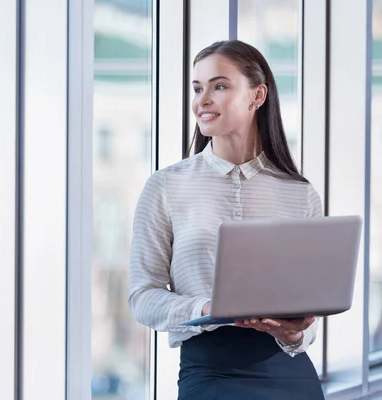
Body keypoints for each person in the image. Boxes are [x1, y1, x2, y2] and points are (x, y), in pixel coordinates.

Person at [128, 39, 325, 400]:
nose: (202, 100)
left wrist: (295, 333)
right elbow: (142, 297)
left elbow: (308, 312)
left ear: (257, 96)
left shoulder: (301, 193)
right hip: (210, 373)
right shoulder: (165, 186)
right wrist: (206, 308)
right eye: (198, 87)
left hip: (290, 375)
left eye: (219, 86)